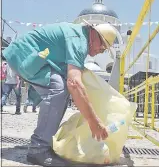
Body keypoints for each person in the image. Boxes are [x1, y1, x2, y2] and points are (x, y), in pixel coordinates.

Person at [2, 20, 118, 166]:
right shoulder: (79, 41)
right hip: (24, 55)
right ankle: (38, 149)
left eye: (104, 50)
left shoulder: (80, 36)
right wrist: (93, 121)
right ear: (95, 35)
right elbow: (74, 84)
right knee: (59, 89)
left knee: (62, 88)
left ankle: (44, 143)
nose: (100, 51)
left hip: (33, 56)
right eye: (103, 47)